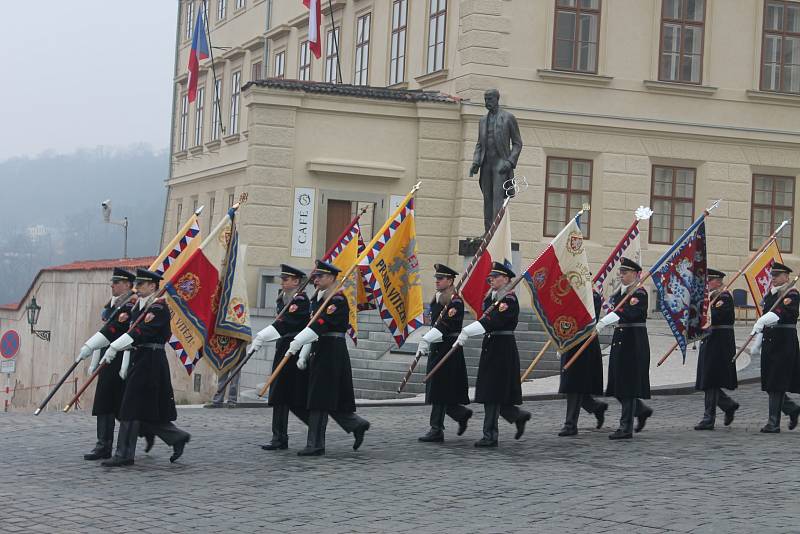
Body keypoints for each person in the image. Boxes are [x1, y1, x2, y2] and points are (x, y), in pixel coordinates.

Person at [99, 269, 191, 467]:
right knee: (141, 409)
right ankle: (177, 437)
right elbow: (132, 333)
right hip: (139, 358)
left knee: (129, 407)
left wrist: (114, 347)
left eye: (141, 285)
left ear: (152, 286)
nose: (137, 288)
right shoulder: (139, 308)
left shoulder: (158, 308)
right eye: (137, 285)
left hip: (151, 361)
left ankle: (124, 454)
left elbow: (141, 332)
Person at [290, 260, 370, 456]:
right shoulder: (319, 298)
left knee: (319, 398)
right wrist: (304, 352)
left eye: (321, 276)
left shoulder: (337, 300)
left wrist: (298, 341)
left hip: (332, 351)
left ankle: (315, 444)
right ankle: (356, 424)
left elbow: (320, 326)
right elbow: (313, 327)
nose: (316, 280)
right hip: (320, 348)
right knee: (323, 397)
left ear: (332, 278)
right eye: (316, 276)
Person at [455, 262, 531, 447]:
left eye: (495, 277)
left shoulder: (508, 300)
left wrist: (467, 331)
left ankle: (490, 435)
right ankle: (517, 416)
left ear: (506, 279)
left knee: (492, 393)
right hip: (492, 346)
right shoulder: (492, 298)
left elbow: (493, 321)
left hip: (502, 349)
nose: (491, 280)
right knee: (492, 391)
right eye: (491, 277)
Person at [74, 268, 137, 460]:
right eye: (113, 282)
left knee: (124, 406)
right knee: (104, 402)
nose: (112, 285)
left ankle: (159, 433)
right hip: (107, 357)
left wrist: (90, 346)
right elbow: (105, 330)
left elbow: (114, 330)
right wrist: (94, 352)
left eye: (116, 282)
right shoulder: (112, 305)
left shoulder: (131, 305)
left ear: (127, 285)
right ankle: (103, 444)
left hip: (121, 357)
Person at [250, 264, 311, 450]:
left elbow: (285, 325)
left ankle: (318, 427)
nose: (283, 282)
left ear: (296, 281)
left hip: (295, 350)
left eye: (286, 279)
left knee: (289, 395)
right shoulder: (283, 298)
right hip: (283, 346)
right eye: (282, 279)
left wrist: (262, 336)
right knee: (280, 394)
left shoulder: (300, 301)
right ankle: (279, 438)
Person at [596, 258, 653, 440]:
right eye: (621, 272)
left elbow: (630, 313)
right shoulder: (622, 294)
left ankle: (625, 427)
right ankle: (640, 410)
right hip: (621, 341)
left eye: (625, 272)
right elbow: (618, 310)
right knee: (617, 385)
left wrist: (609, 319)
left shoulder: (639, 294)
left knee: (627, 386)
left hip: (633, 343)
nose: (621, 275)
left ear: (636, 275)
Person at [416, 264, 472, 443]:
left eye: (440, 279)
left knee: (439, 389)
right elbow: (435, 324)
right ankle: (460, 414)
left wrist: (428, 338)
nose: (437, 281)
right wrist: (428, 339)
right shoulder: (437, 298)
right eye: (436, 279)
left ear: (450, 281)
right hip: (437, 347)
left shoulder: (455, 301)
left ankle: (436, 429)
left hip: (448, 348)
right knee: (438, 389)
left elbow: (446, 325)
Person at [750, 262, 800, 433]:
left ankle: (773, 423)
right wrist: (758, 339)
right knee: (771, 381)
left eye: (777, 276)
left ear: (786, 277)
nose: (774, 279)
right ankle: (792, 409)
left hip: (784, 342)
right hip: (771, 341)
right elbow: (766, 316)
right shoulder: (772, 295)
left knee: (776, 382)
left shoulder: (791, 294)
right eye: (772, 276)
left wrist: (763, 320)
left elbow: (783, 313)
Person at [469, 89, 523, 231]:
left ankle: (496, 233)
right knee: (487, 199)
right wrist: (475, 163)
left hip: (501, 163)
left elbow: (517, 143)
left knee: (498, 199)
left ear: (497, 99)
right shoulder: (482, 121)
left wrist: (510, 162)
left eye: (490, 99)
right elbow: (480, 144)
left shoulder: (508, 118)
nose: (487, 102)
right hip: (486, 163)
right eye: (486, 99)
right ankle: (487, 232)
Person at [557, 290, 608, 436]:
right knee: (570, 384)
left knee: (574, 385)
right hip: (569, 343)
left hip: (584, 344)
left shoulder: (592, 295)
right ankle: (596, 407)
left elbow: (589, 319)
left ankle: (570, 425)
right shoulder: (568, 294)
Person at [694, 269, 739, 430]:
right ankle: (728, 405)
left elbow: (717, 317)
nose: (707, 283)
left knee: (711, 380)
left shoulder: (724, 297)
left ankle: (708, 418)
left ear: (718, 281)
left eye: (710, 280)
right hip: (709, 340)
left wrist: (704, 311)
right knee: (707, 379)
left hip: (720, 342)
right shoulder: (710, 298)